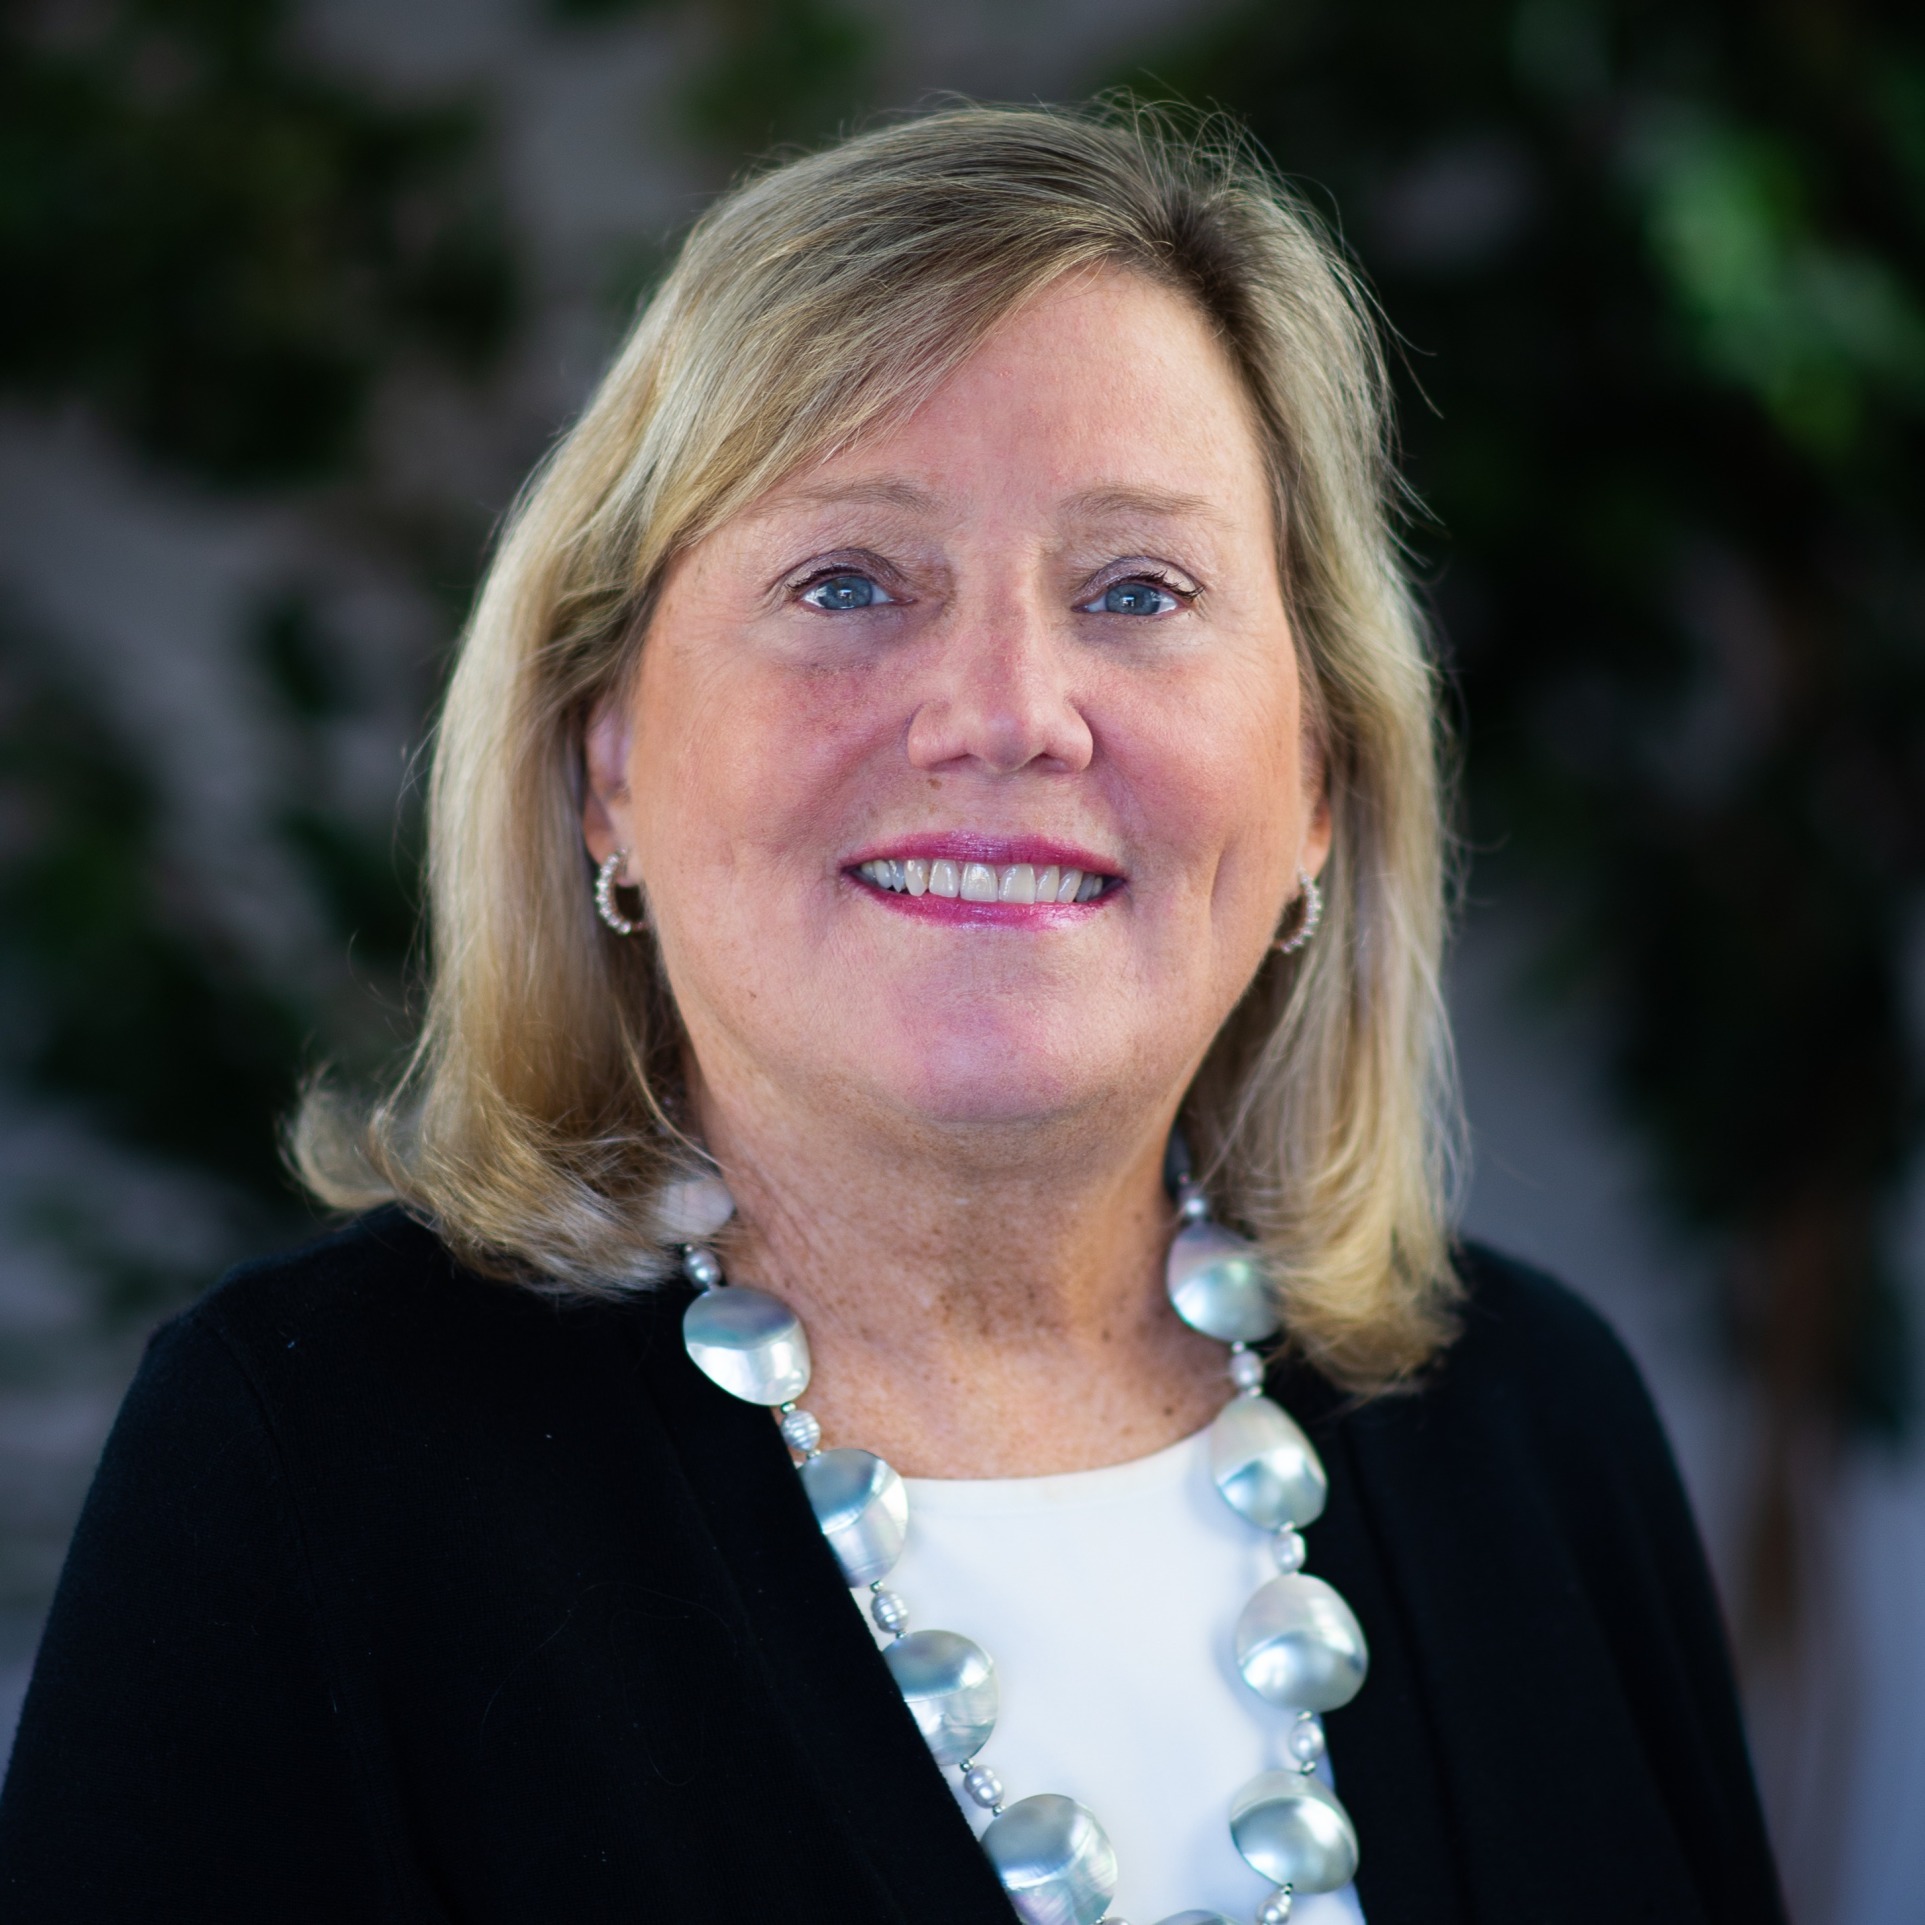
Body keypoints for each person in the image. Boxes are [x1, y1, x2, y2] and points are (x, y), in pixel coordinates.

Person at [0, 105, 1780, 1925]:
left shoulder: (1535, 1426)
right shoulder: (308, 1462)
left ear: (1316, 772)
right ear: (604, 760)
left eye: (1137, 589)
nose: (1005, 711)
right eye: (847, 583)